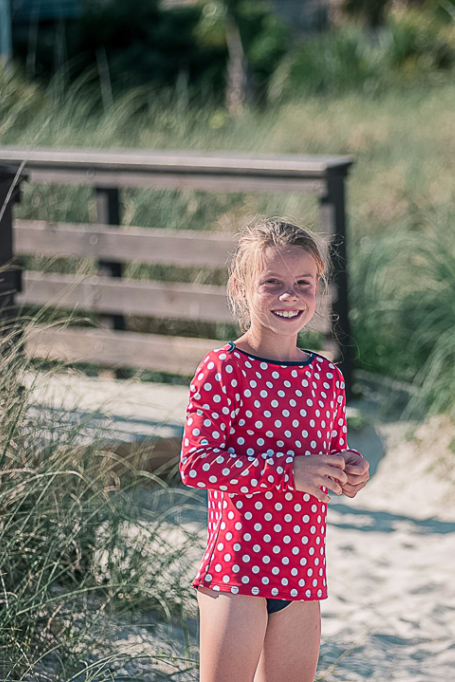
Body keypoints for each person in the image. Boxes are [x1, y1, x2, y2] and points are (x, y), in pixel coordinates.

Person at [179, 219, 370, 682]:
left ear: (317, 287)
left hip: (303, 573)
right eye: (273, 283)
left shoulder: (326, 377)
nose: (290, 296)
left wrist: (350, 470)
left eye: (303, 283)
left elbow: (324, 461)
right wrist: (289, 471)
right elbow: (196, 464)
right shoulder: (223, 368)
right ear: (241, 288)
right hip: (237, 571)